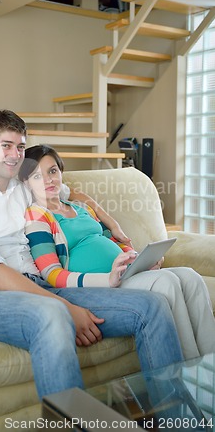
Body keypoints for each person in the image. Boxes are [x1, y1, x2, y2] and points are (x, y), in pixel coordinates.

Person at [0, 109, 184, 402]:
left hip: (42, 286)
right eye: (6, 145)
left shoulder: (23, 187)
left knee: (152, 306)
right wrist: (65, 306)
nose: (15, 155)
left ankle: (176, 418)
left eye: (20, 146)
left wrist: (112, 224)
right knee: (53, 314)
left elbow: (72, 194)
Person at [19, 144, 215, 360]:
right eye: (37, 176)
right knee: (166, 281)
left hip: (125, 274)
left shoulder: (81, 207)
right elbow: (52, 274)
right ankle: (189, 369)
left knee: (190, 277)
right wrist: (106, 279)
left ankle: (210, 362)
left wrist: (138, 258)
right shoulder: (37, 217)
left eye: (53, 171)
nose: (48, 180)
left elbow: (112, 240)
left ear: (61, 172)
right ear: (26, 183)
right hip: (101, 285)